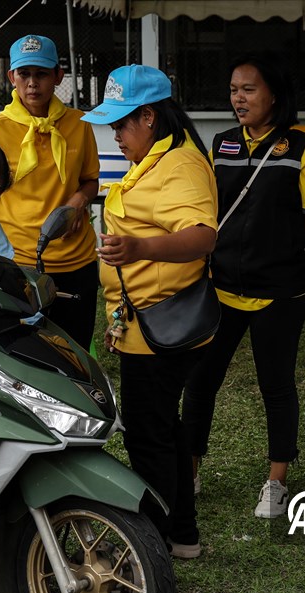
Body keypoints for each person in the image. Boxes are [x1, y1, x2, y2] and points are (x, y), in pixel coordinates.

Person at [181, 56, 305, 519]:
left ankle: (277, 481)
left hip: (280, 292)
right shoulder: (221, 146)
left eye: (249, 89)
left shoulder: (302, 148)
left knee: (276, 386)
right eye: (234, 89)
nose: (239, 98)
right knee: (200, 382)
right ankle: (189, 470)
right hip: (222, 289)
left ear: (274, 94)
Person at [82, 65, 218, 560]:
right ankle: (181, 533)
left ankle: (156, 540)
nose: (115, 134)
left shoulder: (179, 165)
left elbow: (203, 236)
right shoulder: (159, 158)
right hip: (145, 322)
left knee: (148, 435)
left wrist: (138, 246)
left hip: (160, 327)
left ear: (149, 117)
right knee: (164, 428)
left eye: (121, 124)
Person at [0, 34, 100, 350]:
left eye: (42, 74)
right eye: (25, 74)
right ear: (12, 78)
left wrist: (78, 200)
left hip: (76, 260)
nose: (33, 83)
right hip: (17, 261)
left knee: (75, 352)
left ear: (58, 76)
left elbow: (90, 180)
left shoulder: (79, 124)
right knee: (23, 354)